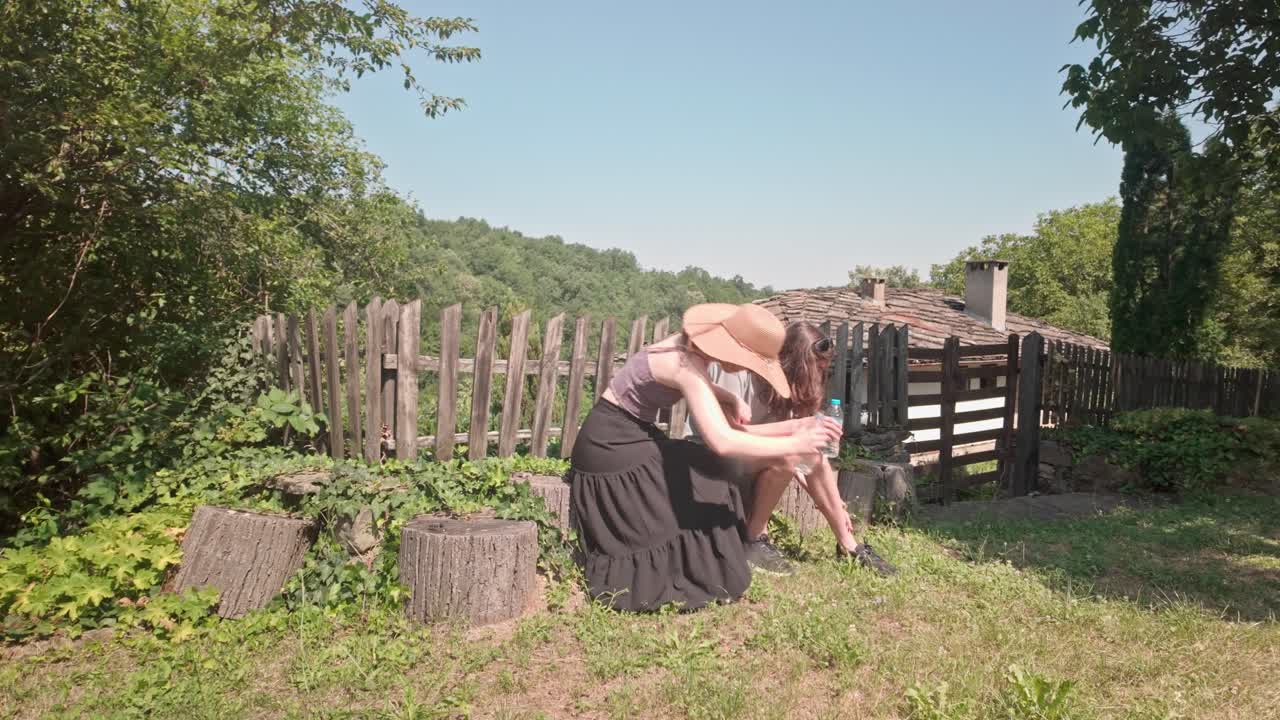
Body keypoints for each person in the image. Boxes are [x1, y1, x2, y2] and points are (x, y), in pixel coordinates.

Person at [567, 303, 841, 612]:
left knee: (706, 470)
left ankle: (733, 543)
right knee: (707, 473)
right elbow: (722, 441)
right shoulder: (685, 365)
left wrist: (729, 396)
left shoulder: (689, 350)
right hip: (611, 446)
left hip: (633, 433)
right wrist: (794, 444)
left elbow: (691, 383)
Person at [686, 322, 896, 576]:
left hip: (749, 457)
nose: (821, 374)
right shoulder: (735, 370)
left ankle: (849, 545)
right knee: (791, 451)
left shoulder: (787, 386)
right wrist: (797, 427)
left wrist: (834, 505)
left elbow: (808, 460)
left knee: (804, 453)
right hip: (705, 457)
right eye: (817, 367)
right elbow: (727, 435)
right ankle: (754, 539)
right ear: (796, 361)